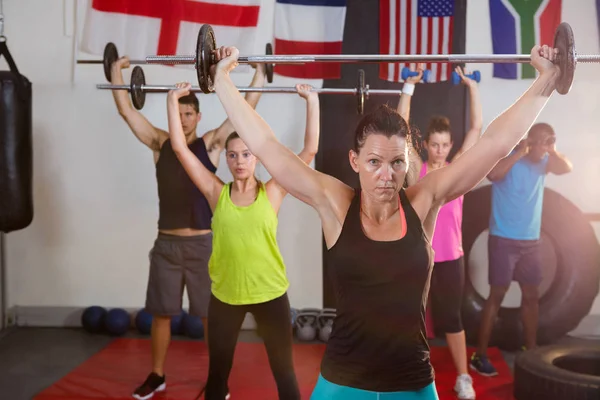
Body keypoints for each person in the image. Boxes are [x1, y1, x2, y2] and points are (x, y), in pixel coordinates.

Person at [208, 42, 562, 400]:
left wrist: (545, 81)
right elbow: (267, 146)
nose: (386, 176)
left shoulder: (424, 200)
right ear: (354, 160)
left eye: (397, 163)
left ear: (408, 163)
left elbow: (495, 144)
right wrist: (220, 80)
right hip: (342, 383)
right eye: (374, 162)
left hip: (411, 382)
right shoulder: (335, 203)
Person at [108, 56, 267, 400]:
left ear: (198, 116)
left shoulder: (210, 144)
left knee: (211, 317)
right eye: (178, 114)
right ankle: (157, 375)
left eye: (188, 114)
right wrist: (115, 72)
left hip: (204, 246)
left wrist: (259, 73)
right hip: (166, 246)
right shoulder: (159, 143)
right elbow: (127, 113)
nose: (182, 120)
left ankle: (216, 379)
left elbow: (244, 111)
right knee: (162, 315)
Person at [166, 81, 320, 400]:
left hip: (271, 295)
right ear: (226, 159)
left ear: (257, 158)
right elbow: (180, 149)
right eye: (233, 155)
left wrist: (312, 101)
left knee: (284, 372)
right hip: (226, 296)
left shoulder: (274, 191)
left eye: (246, 154)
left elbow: (310, 151)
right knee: (218, 375)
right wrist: (171, 100)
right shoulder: (214, 193)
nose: (239, 161)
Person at [397, 65, 482, 399]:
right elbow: (400, 131)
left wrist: (472, 87)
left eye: (445, 145)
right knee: (407, 316)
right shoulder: (416, 170)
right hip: (417, 257)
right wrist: (408, 86)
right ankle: (403, 373)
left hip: (450, 259)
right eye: (435, 144)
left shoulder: (456, 171)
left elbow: (476, 128)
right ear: (427, 144)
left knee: (452, 318)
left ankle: (463, 377)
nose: (440, 150)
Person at [470, 122, 572, 377]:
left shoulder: (546, 161)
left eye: (547, 142)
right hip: (504, 239)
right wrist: (521, 152)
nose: (542, 147)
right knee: (497, 295)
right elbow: (493, 175)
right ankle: (479, 355)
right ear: (530, 140)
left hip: (531, 241)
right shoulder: (513, 157)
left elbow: (566, 168)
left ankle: (531, 349)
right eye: (539, 142)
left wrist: (553, 150)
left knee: (531, 296)